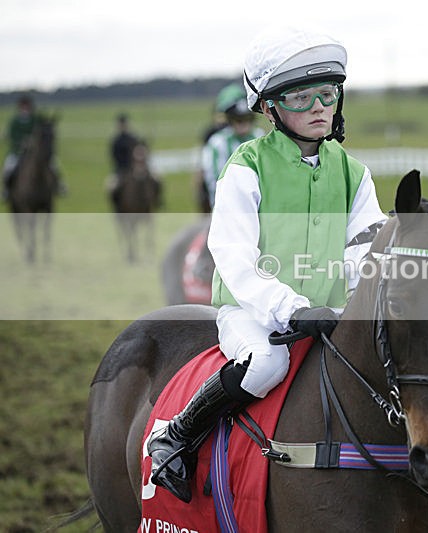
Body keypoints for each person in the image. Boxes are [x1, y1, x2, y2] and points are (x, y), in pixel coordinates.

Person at [147, 26, 387, 503]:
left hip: (329, 316)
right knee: (266, 364)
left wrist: (360, 298)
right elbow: (234, 256)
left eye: (327, 94)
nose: (320, 107)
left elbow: (366, 245)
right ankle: (176, 436)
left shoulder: (353, 172)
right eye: (302, 98)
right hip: (253, 314)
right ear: (271, 108)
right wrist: (290, 307)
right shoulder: (245, 166)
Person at [201, 84, 265, 209]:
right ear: (230, 120)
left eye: (247, 119)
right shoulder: (218, 142)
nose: (243, 125)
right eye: (238, 120)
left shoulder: (260, 136)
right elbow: (215, 179)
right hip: (230, 204)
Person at [2, 94, 66, 200]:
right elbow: (12, 136)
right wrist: (21, 142)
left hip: (34, 153)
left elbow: (41, 132)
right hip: (17, 152)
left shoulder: (35, 120)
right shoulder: (14, 121)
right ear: (20, 107)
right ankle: (6, 191)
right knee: (8, 168)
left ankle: (58, 186)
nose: (25, 109)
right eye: (23, 106)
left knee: (54, 165)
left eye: (27, 106)